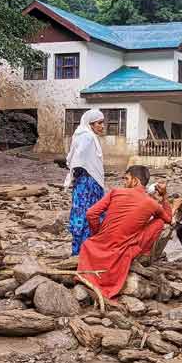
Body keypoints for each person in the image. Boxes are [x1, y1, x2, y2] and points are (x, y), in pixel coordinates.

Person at [77, 166, 172, 299]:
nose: (124, 182)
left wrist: (97, 234)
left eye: (126, 179)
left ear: (135, 180)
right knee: (159, 222)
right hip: (124, 248)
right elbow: (168, 219)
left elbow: (91, 214)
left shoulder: (115, 192)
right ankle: (142, 253)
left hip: (98, 244)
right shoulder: (152, 203)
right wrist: (164, 197)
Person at [64, 109, 107, 255]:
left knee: (85, 215)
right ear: (90, 124)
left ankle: (82, 252)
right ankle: (84, 253)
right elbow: (78, 158)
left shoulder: (86, 136)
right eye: (99, 123)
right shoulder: (87, 137)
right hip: (87, 185)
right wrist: (83, 171)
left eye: (102, 123)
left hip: (86, 183)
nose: (102, 126)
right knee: (87, 216)